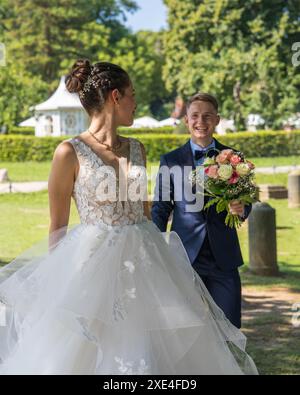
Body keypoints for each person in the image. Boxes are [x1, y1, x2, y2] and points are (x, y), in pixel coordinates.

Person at [0, 61, 257, 375]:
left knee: (160, 348)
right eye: (132, 94)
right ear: (115, 97)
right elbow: (58, 227)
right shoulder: (68, 152)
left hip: (147, 264)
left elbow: (145, 213)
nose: (136, 102)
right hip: (93, 268)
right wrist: (61, 289)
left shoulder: (137, 148)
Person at [152, 93, 252, 329]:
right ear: (186, 120)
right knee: (186, 330)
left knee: (229, 328)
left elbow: (246, 199)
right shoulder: (171, 161)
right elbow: (161, 207)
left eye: (207, 116)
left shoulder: (235, 158)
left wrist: (242, 208)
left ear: (217, 120)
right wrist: (154, 246)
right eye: (195, 116)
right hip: (184, 257)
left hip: (224, 257)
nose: (201, 121)